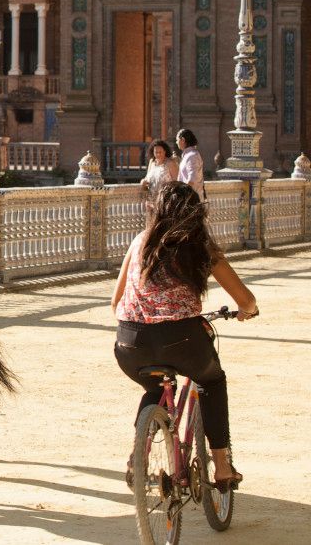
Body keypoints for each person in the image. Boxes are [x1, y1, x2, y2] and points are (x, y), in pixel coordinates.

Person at [111, 181, 258, 492]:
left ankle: (138, 456)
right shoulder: (201, 246)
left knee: (155, 386)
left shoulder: (139, 242)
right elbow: (245, 300)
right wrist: (248, 311)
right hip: (182, 340)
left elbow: (115, 303)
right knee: (212, 381)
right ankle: (222, 467)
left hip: (129, 343)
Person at [176, 128, 205, 200]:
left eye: (177, 140)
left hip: (191, 199)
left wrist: (181, 193)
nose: (176, 142)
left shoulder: (192, 155)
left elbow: (191, 180)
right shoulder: (187, 155)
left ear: (183, 140)